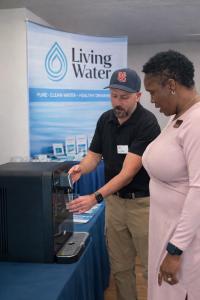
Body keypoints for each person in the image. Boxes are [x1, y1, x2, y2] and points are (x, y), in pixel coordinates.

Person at [68, 68, 160, 300]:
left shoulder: (147, 123)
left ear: (138, 96)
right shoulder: (105, 119)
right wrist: (82, 167)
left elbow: (127, 174)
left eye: (124, 97)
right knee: (120, 268)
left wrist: (95, 197)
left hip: (142, 205)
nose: (117, 102)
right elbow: (93, 156)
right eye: (114, 95)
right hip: (115, 206)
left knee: (152, 269)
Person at [142, 50, 200, 300]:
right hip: (165, 231)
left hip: (184, 242)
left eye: (153, 92)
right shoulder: (178, 117)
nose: (152, 100)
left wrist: (175, 251)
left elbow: (199, 190)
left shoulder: (197, 121)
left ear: (172, 85)